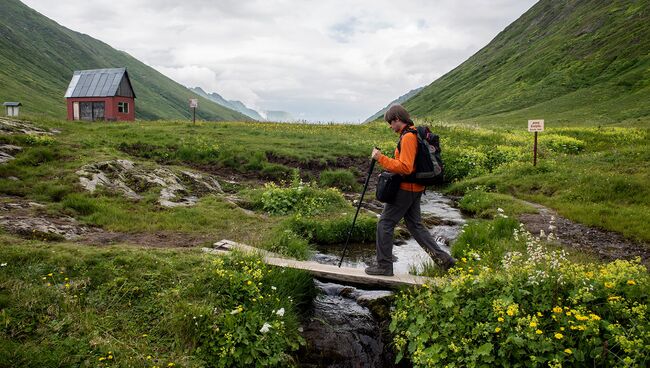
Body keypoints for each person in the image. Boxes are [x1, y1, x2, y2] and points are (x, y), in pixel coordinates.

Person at [365, 104, 456, 276]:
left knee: (385, 223)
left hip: (406, 189)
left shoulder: (408, 137)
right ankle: (444, 260)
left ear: (398, 119)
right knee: (415, 225)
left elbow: (406, 168)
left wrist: (381, 158)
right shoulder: (414, 133)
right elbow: (407, 165)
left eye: (391, 123)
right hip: (415, 189)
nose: (390, 127)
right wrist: (389, 170)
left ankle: (384, 266)